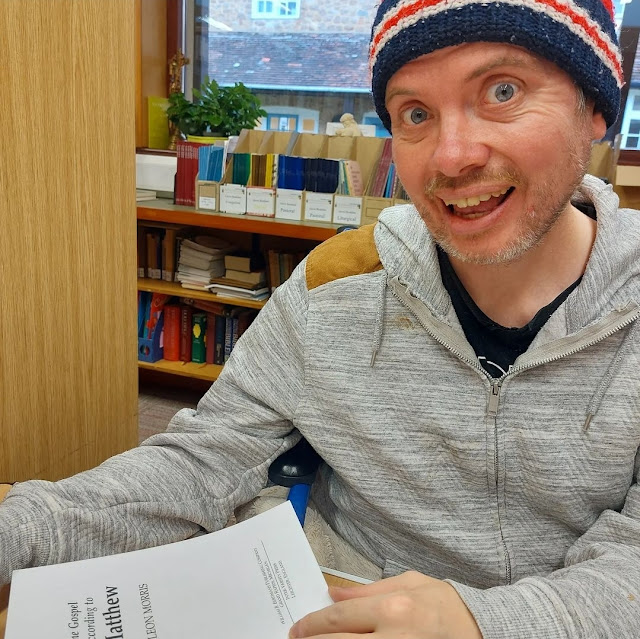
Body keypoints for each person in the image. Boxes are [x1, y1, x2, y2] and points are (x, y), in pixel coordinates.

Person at [3, 0, 640, 635]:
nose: (452, 157)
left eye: (503, 91)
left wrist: (485, 624)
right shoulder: (338, 285)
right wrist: (16, 532)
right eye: (415, 113)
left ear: (595, 111)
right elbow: (203, 462)